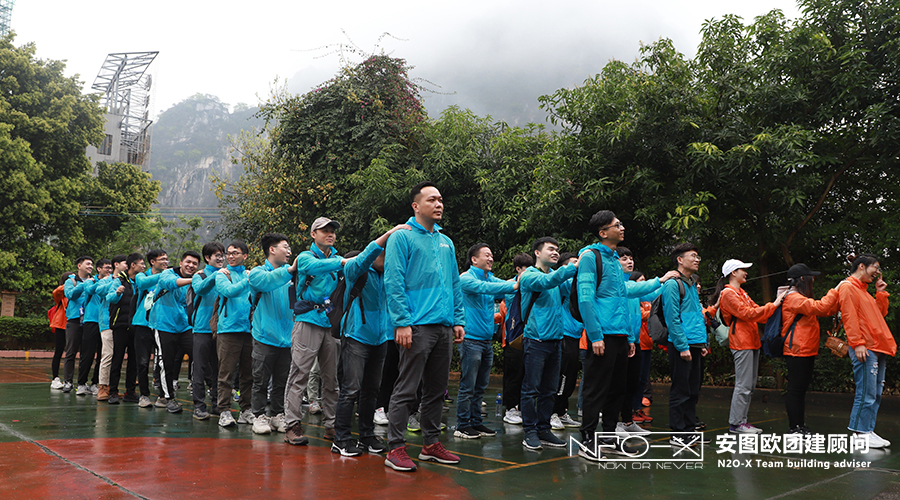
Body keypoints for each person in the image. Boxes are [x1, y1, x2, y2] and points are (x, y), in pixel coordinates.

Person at [575, 212, 674, 460]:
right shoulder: (590, 257)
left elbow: (625, 295)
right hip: (603, 336)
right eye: (616, 225)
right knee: (595, 390)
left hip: (620, 336)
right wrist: (595, 335)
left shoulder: (613, 259)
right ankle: (587, 440)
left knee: (617, 390)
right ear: (602, 232)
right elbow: (585, 298)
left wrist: (630, 337)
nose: (622, 228)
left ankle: (609, 437)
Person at [383, 182, 465, 472]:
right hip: (416, 326)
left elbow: (454, 283)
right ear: (416, 206)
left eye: (440, 199)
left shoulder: (446, 242)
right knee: (407, 388)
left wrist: (458, 319)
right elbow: (393, 280)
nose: (439, 204)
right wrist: (402, 322)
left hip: (443, 326)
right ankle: (395, 448)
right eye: (432, 200)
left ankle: (430, 445)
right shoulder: (402, 237)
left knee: (437, 390)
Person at [331, 224, 409, 457]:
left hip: (380, 339)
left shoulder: (389, 276)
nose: (388, 259)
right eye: (384, 254)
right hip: (356, 337)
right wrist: (388, 235)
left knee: (371, 391)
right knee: (350, 390)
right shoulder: (356, 270)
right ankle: (341, 439)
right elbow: (365, 256)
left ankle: (366, 436)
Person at [283, 217, 353, 440]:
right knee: (299, 374)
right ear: (313, 234)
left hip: (330, 323)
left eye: (333, 231)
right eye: (325, 231)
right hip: (307, 320)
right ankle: (292, 425)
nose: (330, 234)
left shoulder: (338, 259)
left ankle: (331, 424)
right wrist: (343, 262)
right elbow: (314, 267)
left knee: (331, 379)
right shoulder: (306, 257)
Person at [711, 259, 784, 434]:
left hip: (751, 341)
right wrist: (774, 304)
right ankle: (736, 423)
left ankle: (741, 421)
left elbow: (758, 312)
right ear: (733, 272)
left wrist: (775, 306)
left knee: (749, 385)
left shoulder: (741, 293)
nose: (746, 272)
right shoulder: (728, 294)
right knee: (743, 385)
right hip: (741, 342)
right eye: (742, 269)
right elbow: (748, 313)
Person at [519, 237, 578, 451]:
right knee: (531, 389)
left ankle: (544, 429)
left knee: (550, 390)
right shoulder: (529, 275)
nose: (555, 253)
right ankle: (530, 432)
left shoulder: (556, 278)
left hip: (555, 341)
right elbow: (546, 282)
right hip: (536, 340)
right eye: (551, 249)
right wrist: (571, 267)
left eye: (557, 250)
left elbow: (571, 289)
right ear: (537, 253)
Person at [454, 243, 517, 440]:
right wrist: (514, 284)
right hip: (470, 340)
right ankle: (462, 425)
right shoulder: (466, 278)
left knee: (481, 386)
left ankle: (476, 422)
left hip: (486, 341)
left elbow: (504, 289)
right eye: (487, 255)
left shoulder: (490, 278)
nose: (491, 258)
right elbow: (488, 288)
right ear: (474, 259)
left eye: (491, 255)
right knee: (468, 386)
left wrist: (523, 278)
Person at [838, 254, 895, 449]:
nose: (877, 272)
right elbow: (849, 316)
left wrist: (881, 293)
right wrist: (857, 343)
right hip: (866, 346)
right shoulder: (848, 287)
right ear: (862, 266)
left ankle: (867, 430)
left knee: (875, 391)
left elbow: (879, 314)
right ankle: (860, 433)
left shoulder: (864, 291)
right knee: (867, 392)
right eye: (875, 267)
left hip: (877, 346)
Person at [249, 234, 299, 439]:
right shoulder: (257, 273)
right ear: (272, 249)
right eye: (285, 247)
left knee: (282, 381)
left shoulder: (292, 276)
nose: (289, 251)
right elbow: (269, 282)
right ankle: (258, 415)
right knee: (260, 380)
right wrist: (290, 271)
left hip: (287, 338)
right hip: (264, 336)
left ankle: (278, 414)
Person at [780, 263, 839, 434]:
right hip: (797, 349)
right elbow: (820, 307)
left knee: (800, 390)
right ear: (802, 279)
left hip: (805, 349)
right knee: (795, 390)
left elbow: (825, 310)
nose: (813, 279)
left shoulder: (799, 297)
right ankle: (794, 427)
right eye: (811, 277)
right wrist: (836, 289)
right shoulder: (793, 297)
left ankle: (800, 426)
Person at [662, 243, 709, 446]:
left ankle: (690, 430)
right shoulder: (673, 284)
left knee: (693, 391)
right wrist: (682, 346)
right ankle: (678, 434)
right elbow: (672, 318)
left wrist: (703, 343)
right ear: (680, 260)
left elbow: (697, 316)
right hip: (682, 345)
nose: (697, 259)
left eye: (698, 256)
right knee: (681, 390)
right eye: (693, 256)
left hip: (696, 344)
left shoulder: (691, 284)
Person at [150, 250, 201, 414]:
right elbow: (171, 283)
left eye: (194, 264)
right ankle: (167, 398)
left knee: (199, 354)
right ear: (181, 263)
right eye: (188, 262)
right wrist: (194, 279)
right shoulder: (167, 274)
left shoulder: (194, 281)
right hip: (163, 324)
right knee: (166, 362)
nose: (191, 265)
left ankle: (206, 394)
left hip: (184, 326)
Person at [214, 240, 255, 428]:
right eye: (228, 253)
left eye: (235, 253)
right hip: (228, 330)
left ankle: (246, 410)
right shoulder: (222, 274)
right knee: (226, 373)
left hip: (249, 330)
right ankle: (223, 410)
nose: (230, 256)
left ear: (245, 256)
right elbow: (229, 292)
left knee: (248, 374)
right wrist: (249, 280)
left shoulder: (250, 274)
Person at [190, 243, 225, 420]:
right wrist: (216, 276)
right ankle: (199, 405)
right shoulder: (200, 275)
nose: (221, 258)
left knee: (219, 368)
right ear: (207, 258)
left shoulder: (226, 275)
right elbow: (200, 289)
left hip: (222, 329)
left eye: (222, 255)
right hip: (202, 328)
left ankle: (217, 404)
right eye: (216, 255)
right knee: (200, 368)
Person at [502, 253, 534, 426]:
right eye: (525, 270)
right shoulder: (511, 285)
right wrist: (519, 283)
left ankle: (522, 408)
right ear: (518, 269)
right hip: (513, 336)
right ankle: (510, 408)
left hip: (529, 335)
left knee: (526, 374)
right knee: (513, 374)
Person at [551, 252, 582, 430]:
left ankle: (562, 412)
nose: (577, 266)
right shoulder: (562, 282)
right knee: (561, 376)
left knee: (570, 378)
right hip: (564, 333)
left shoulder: (577, 283)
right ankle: (553, 412)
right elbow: (568, 285)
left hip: (576, 334)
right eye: (573, 263)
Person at [107, 253, 144, 405]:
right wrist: (117, 293)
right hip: (120, 325)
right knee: (117, 358)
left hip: (136, 326)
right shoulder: (119, 281)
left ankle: (130, 392)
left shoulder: (141, 282)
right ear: (133, 265)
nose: (144, 266)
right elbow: (109, 297)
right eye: (141, 264)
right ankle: (113, 392)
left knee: (134, 361)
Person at [133, 249, 168, 408]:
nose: (166, 262)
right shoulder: (142, 275)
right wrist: (166, 275)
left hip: (162, 323)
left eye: (166, 259)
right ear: (152, 262)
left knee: (163, 361)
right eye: (162, 259)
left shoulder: (168, 276)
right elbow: (142, 284)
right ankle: (144, 395)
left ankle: (163, 395)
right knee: (142, 361)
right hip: (143, 323)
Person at [96, 256, 126, 401]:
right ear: (117, 265)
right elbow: (99, 290)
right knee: (107, 355)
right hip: (107, 322)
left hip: (121, 323)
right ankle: (102, 387)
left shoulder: (127, 281)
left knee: (117, 356)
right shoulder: (106, 280)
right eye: (126, 263)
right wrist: (115, 283)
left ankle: (112, 387)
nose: (128, 266)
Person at [63, 256, 94, 394]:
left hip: (89, 320)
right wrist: (84, 285)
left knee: (86, 353)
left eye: (92, 264)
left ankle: (82, 382)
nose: (90, 266)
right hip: (74, 320)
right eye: (88, 264)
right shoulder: (71, 281)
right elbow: (70, 295)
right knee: (71, 352)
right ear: (79, 266)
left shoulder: (94, 281)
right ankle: (68, 381)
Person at [49, 272, 71, 390]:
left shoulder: (75, 293)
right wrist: (70, 283)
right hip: (60, 325)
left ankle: (69, 379)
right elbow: (55, 292)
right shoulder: (61, 295)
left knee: (71, 352)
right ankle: (55, 378)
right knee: (58, 351)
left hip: (74, 325)